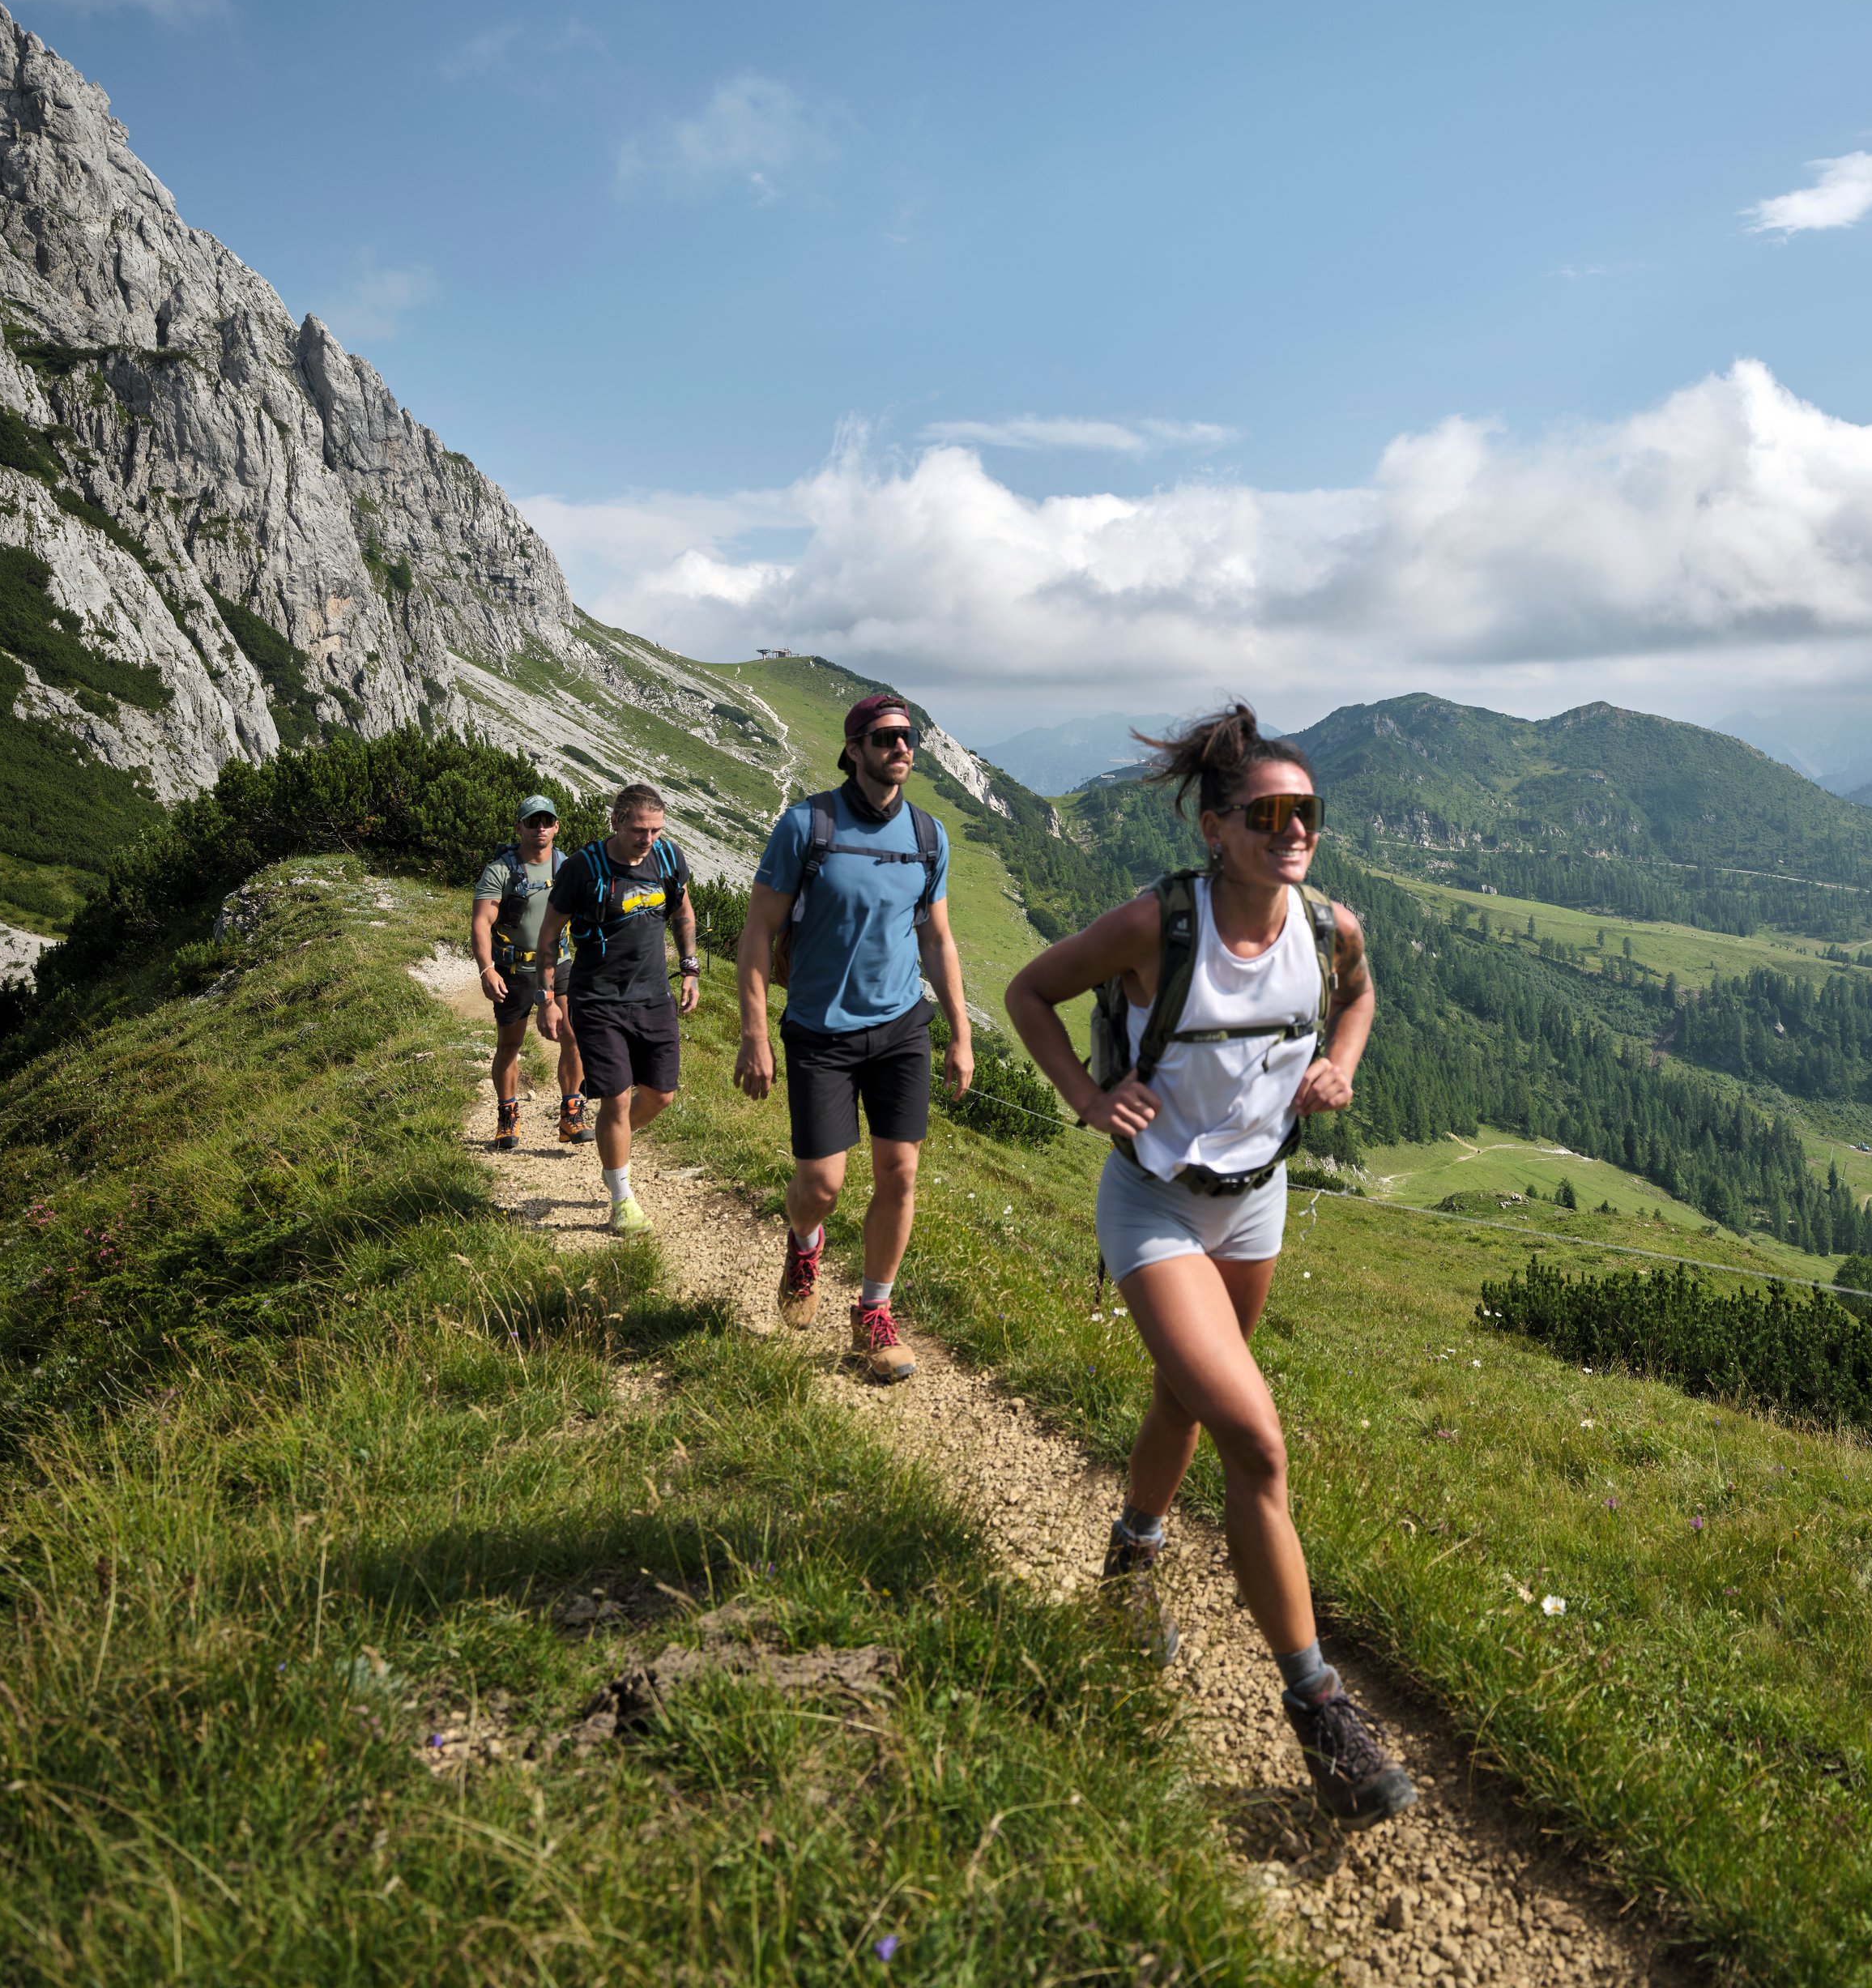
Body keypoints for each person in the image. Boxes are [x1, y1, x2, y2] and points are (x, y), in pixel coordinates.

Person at [1000, 704, 1415, 1827]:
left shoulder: (1332, 930)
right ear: (1215, 826)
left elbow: (1363, 998)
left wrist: (1339, 1063)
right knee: (1256, 1436)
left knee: (1184, 1403)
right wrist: (1088, 1100)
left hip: (1256, 1204)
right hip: (1153, 1206)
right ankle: (1319, 1706)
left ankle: (1130, 1563)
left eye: (1307, 814)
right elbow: (1028, 992)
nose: (1293, 831)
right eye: (1269, 814)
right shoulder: (1153, 927)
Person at [732, 692, 974, 1384]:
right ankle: (804, 1246)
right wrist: (755, 1031)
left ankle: (874, 1312)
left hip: (901, 1028)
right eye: (887, 737)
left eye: (910, 738)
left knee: (901, 1175)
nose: (902, 748)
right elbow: (757, 933)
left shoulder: (929, 836)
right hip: (819, 1031)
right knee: (822, 1184)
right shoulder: (805, 825)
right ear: (855, 749)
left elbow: (938, 939)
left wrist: (960, 1034)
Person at [539, 783, 701, 1238]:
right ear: (617, 822)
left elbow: (683, 912)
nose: (648, 839)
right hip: (598, 1000)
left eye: (656, 830)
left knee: (662, 1095)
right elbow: (550, 933)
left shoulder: (668, 859)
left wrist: (690, 969)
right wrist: (547, 998)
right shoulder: (583, 868)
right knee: (618, 1095)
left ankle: (615, 1140)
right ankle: (622, 1200)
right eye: (639, 830)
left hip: (653, 998)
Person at [471, 795, 583, 1150]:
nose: (540, 828)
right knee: (510, 1044)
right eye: (532, 822)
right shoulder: (501, 870)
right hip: (514, 969)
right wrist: (487, 969)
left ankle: (571, 1113)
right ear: (519, 827)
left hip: (560, 962)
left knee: (572, 1036)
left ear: (557, 826)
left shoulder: (567, 867)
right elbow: (481, 922)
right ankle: (507, 1116)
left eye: (546, 821)